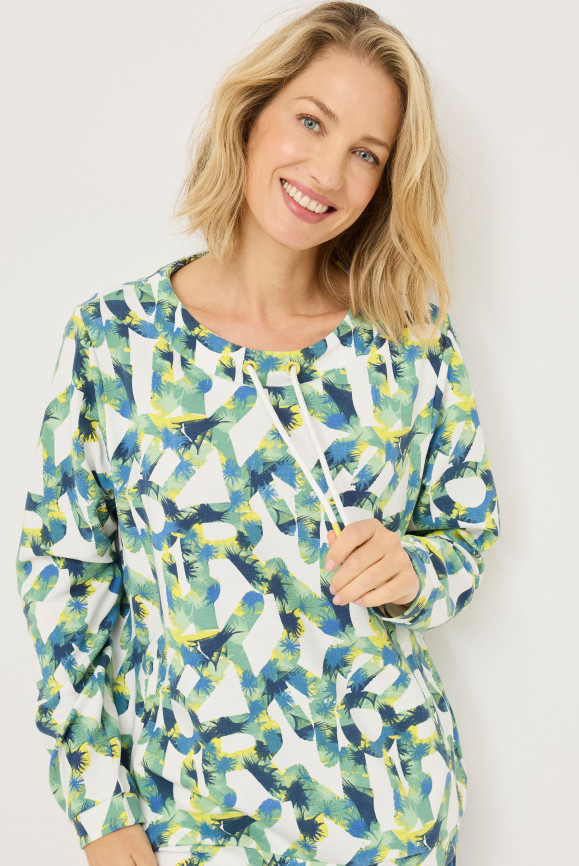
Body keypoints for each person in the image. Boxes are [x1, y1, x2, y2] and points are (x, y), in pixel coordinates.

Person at [15, 3, 500, 865]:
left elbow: (465, 534)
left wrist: (413, 568)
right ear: (251, 115)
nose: (328, 170)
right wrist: (98, 807)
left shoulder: (408, 337)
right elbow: (65, 585)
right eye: (311, 122)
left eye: (367, 153)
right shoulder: (115, 342)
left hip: (387, 822)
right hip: (186, 824)